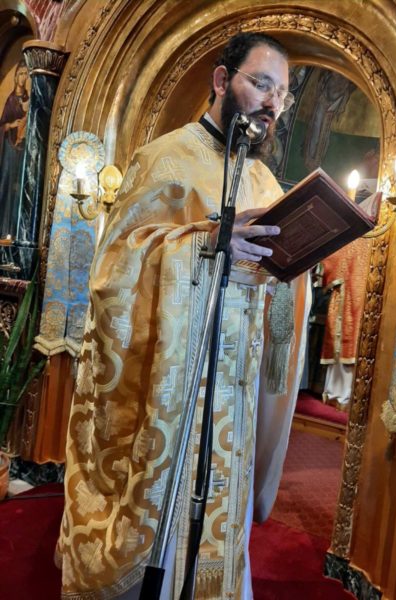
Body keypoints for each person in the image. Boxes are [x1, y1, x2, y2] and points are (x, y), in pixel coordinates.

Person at [56, 32, 308, 599]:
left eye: (282, 94)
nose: (272, 103)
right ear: (222, 81)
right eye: (261, 84)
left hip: (234, 388)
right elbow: (113, 270)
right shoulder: (164, 158)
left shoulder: (265, 181)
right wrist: (203, 244)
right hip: (173, 385)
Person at [0, 60, 29, 239]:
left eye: (26, 74)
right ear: (16, 76)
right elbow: (2, 124)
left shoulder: (27, 98)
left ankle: (14, 230)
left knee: (18, 188)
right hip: (10, 149)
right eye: (20, 74)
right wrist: (12, 125)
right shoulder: (11, 100)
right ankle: (3, 229)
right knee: (6, 183)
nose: (23, 77)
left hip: (21, 148)